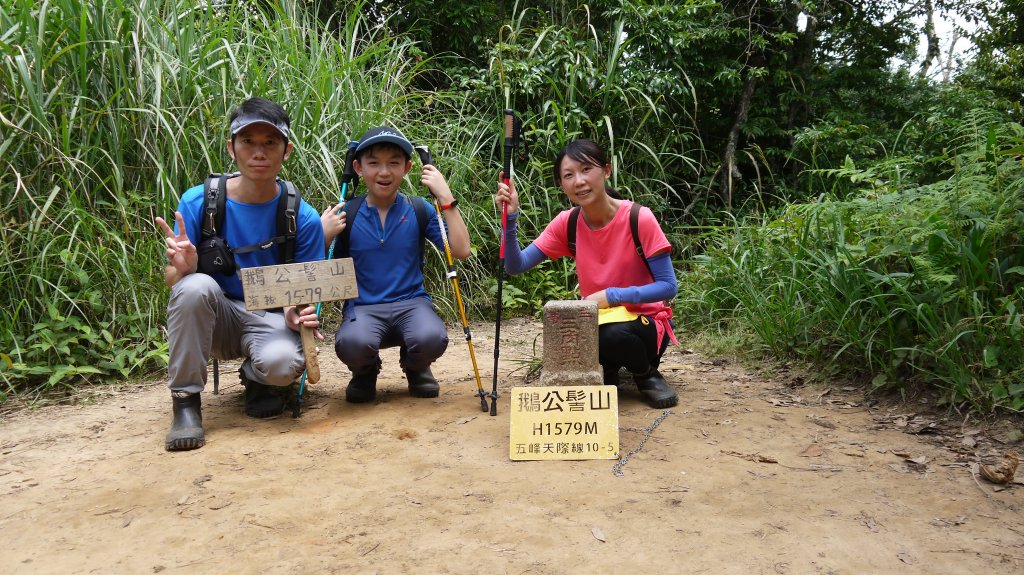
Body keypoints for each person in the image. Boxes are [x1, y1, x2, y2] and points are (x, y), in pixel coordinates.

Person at [155, 97, 325, 451]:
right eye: (248, 142)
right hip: (217, 317)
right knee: (193, 286)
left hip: (270, 317)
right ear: (232, 149)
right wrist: (183, 269)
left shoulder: (302, 216)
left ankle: (258, 378)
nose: (258, 152)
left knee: (282, 364)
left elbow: (306, 289)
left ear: (286, 151)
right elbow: (173, 279)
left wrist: (299, 310)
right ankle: (185, 403)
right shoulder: (199, 203)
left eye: (269, 143)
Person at [495, 138, 679, 408]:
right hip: (596, 322)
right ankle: (609, 370)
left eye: (586, 170)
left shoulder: (639, 218)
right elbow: (516, 265)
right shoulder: (566, 223)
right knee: (570, 330)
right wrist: (510, 218)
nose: (579, 181)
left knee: (613, 335)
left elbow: (668, 286)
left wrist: (612, 296)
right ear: (562, 184)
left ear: (606, 170)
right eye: (568, 175)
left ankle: (646, 374)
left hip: (646, 325)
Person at [329, 126, 470, 403]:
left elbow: (461, 250)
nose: (384, 172)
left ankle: (416, 366)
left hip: (412, 303)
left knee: (432, 338)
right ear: (358, 167)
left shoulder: (418, 209)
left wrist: (446, 197)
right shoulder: (348, 213)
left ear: (406, 168)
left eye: (394, 163)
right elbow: (317, 263)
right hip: (364, 307)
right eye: (374, 163)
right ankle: (365, 372)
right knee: (352, 344)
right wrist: (324, 233)